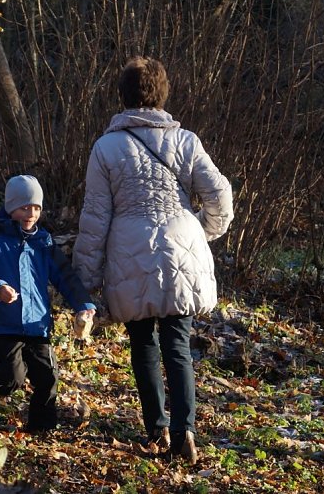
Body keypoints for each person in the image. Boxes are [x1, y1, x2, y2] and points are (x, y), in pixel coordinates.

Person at [73, 57, 233, 463]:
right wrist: (203, 231)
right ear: (163, 95)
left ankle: (157, 430)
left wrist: (84, 279)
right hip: (182, 244)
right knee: (177, 344)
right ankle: (186, 432)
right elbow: (220, 197)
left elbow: (95, 218)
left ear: (123, 97)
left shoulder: (106, 147)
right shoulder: (186, 142)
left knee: (143, 343)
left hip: (130, 251)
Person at [0, 175, 96, 432]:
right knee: (11, 379)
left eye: (36, 208)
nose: (30, 213)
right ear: (11, 207)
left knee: (47, 377)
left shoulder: (44, 242)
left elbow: (65, 276)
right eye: (24, 207)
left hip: (38, 324)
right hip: (4, 322)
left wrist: (83, 304)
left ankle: (41, 427)